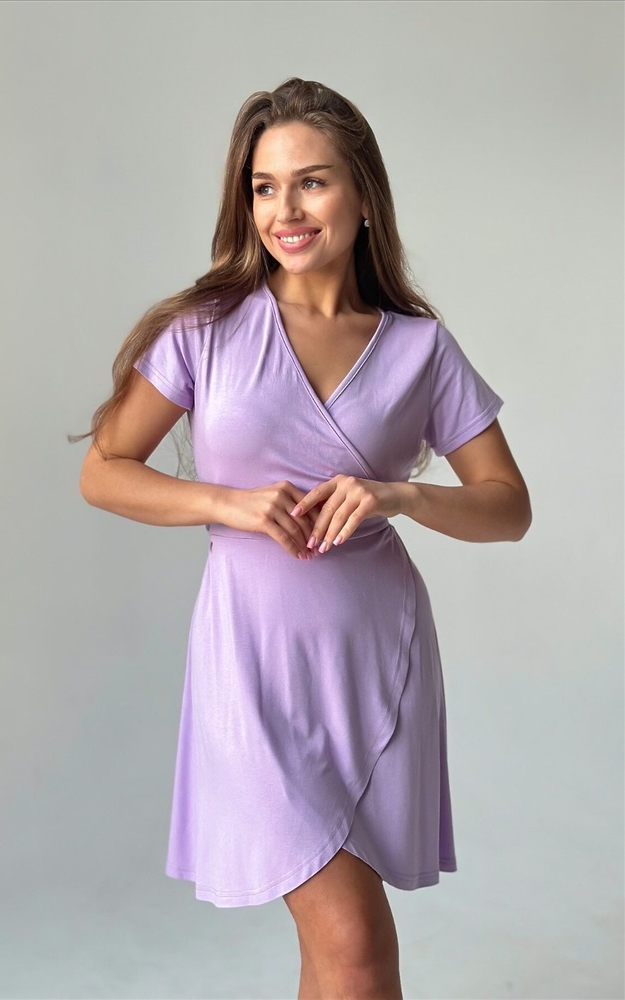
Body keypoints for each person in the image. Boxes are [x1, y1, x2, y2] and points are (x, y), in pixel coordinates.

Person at [76, 77, 532, 1000]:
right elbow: (104, 471)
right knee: (352, 938)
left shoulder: (418, 347)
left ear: (363, 196)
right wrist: (230, 504)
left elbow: (507, 506)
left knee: (339, 954)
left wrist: (401, 493)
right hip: (252, 659)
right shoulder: (205, 330)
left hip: (377, 658)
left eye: (311, 182)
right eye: (263, 187)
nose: (284, 210)